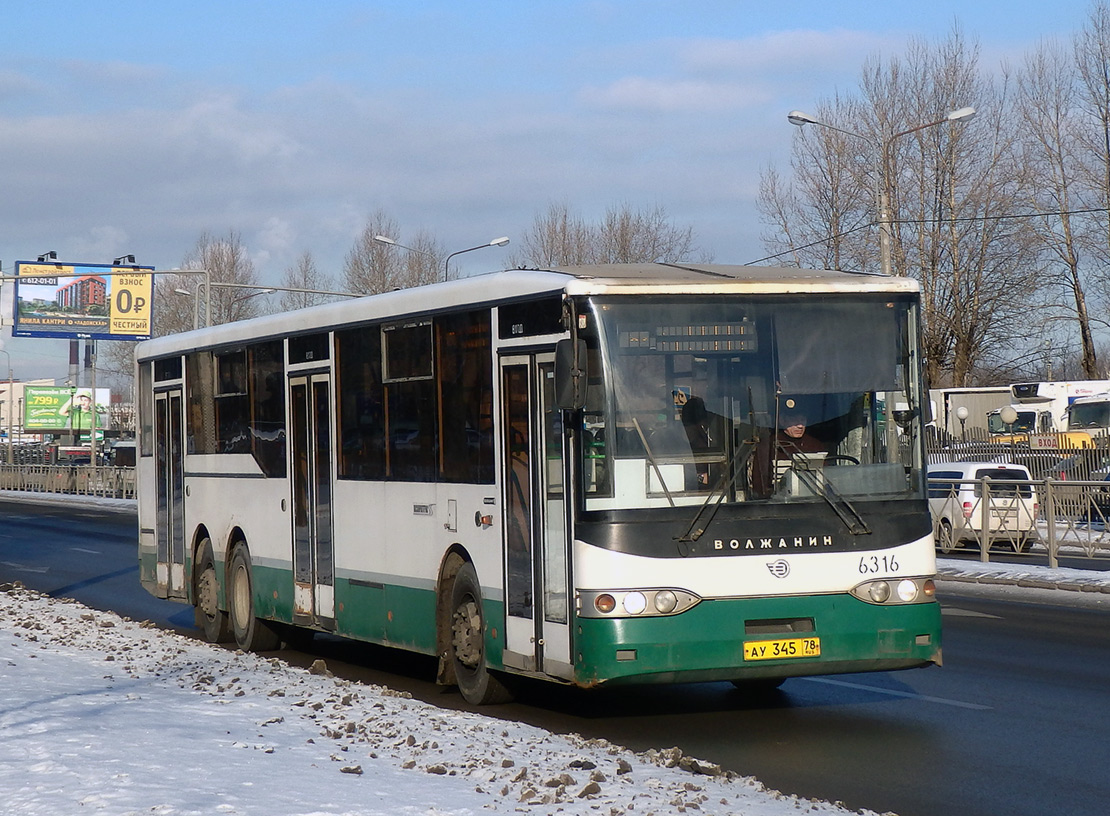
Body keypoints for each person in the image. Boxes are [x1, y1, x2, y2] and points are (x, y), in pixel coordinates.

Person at [751, 402, 827, 496]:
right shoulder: (768, 446)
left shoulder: (815, 445)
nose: (800, 426)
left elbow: (826, 478)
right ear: (782, 420)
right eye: (794, 420)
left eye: (802, 420)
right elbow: (760, 486)